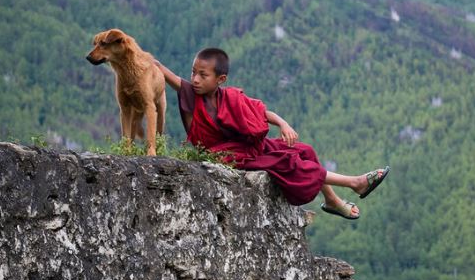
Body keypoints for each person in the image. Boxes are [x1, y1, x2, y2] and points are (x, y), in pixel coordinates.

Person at [155, 48, 389, 220]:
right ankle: (354, 183)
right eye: (193, 72)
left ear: (221, 79)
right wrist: (142, 57)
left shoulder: (230, 97)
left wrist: (283, 124)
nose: (195, 79)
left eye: (203, 75)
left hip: (246, 148)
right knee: (288, 160)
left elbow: (261, 112)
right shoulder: (189, 93)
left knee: (305, 150)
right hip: (225, 155)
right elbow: (165, 72)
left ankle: (331, 200)